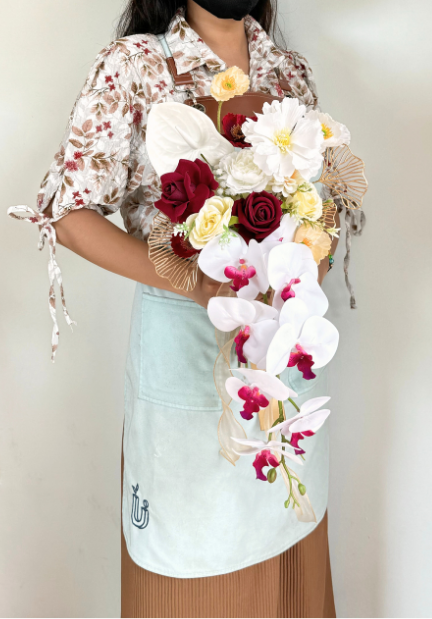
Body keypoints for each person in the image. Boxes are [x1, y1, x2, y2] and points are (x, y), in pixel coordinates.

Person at [11, 1, 337, 616]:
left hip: (282, 363)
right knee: (189, 577)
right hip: (185, 366)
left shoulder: (289, 72)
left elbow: (324, 205)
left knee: (289, 553)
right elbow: (69, 214)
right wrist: (194, 281)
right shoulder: (135, 66)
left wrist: (305, 272)